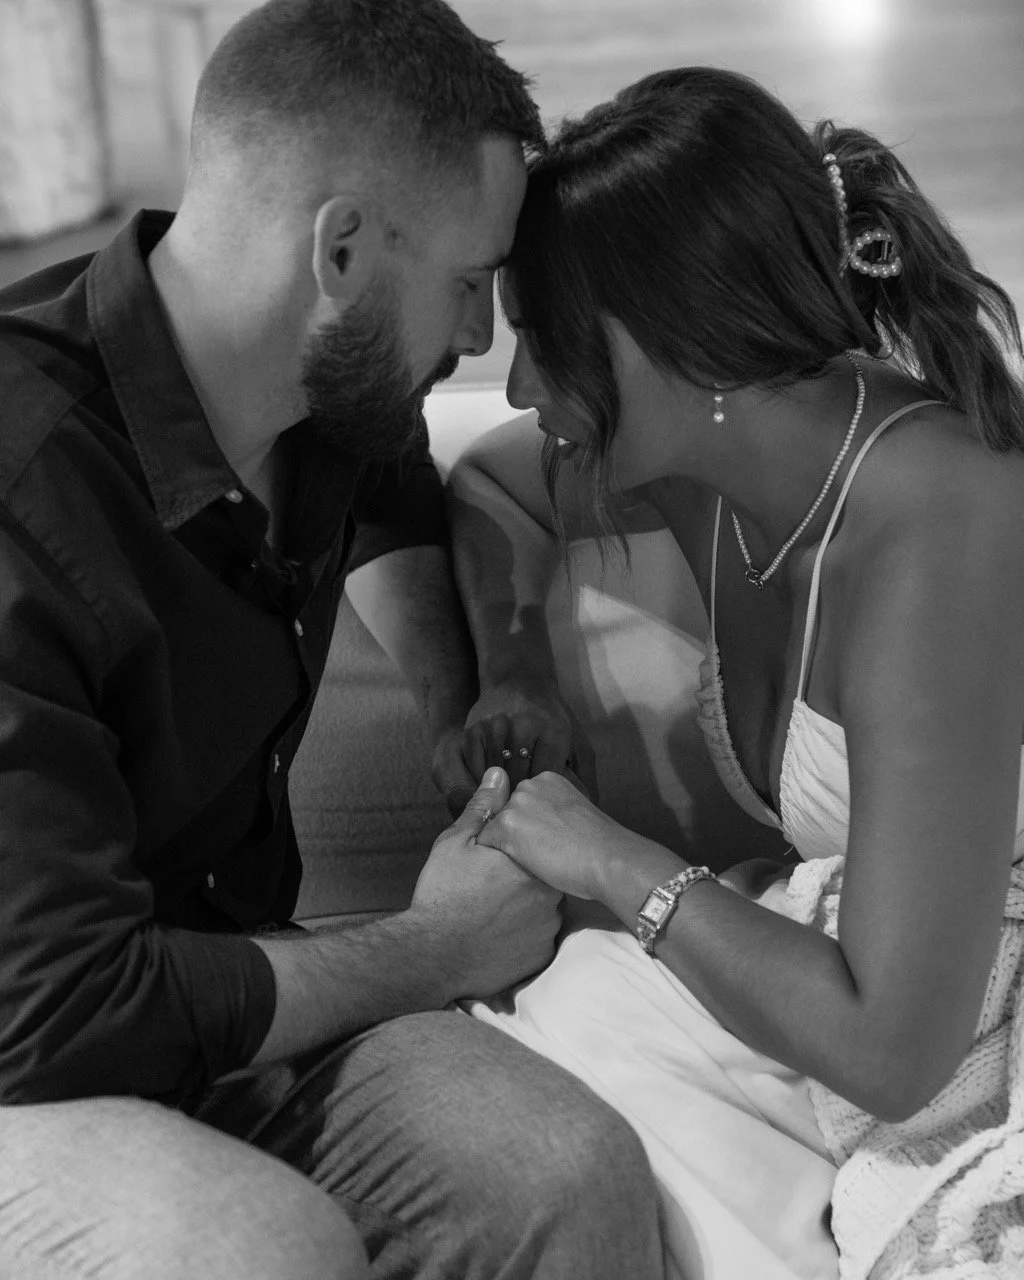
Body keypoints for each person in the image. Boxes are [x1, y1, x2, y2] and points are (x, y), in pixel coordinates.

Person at [0, 4, 668, 1278]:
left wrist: (453, 708)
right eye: (470, 282)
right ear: (342, 248)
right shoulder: (25, 494)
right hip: (33, 1045)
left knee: (566, 1169)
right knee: (261, 1246)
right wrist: (435, 946)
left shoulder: (321, 394)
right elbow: (56, 1009)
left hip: (194, 990)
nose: (480, 340)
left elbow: (394, 486)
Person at [447, 67, 1024, 1280]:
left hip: (947, 1028)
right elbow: (489, 487)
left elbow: (893, 1051)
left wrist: (610, 857)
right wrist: (517, 669)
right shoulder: (705, 467)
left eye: (541, 341)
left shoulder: (939, 524)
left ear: (660, 335)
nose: (521, 388)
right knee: (561, 1043)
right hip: (872, 999)